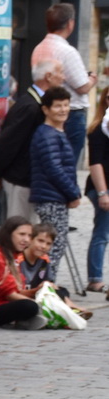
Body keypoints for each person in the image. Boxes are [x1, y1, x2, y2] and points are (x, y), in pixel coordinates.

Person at [0, 60, 74, 271]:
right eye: (60, 73)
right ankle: (11, 277)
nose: (64, 77)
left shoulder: (34, 103)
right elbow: (9, 142)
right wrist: (0, 172)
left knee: (26, 234)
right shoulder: (31, 107)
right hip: (19, 180)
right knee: (18, 235)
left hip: (27, 182)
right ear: (48, 76)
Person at [30, 3, 94, 164]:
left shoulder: (38, 48)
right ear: (70, 23)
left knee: (50, 160)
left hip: (47, 110)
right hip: (70, 113)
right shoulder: (67, 51)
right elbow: (83, 87)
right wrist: (92, 78)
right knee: (67, 163)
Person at [28, 86, 82, 245]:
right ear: (46, 109)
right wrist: (73, 193)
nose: (63, 110)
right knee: (52, 249)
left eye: (66, 105)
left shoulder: (56, 132)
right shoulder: (47, 134)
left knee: (56, 247)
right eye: (58, 106)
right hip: (50, 199)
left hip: (55, 197)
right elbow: (54, 169)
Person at [89, 89, 109, 297]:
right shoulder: (98, 129)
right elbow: (95, 163)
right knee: (102, 233)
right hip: (102, 186)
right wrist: (103, 192)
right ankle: (95, 279)